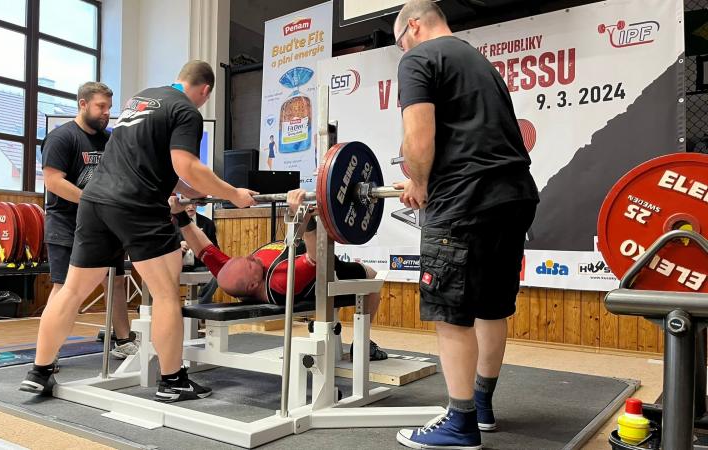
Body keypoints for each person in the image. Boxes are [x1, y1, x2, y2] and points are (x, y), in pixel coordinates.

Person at [21, 61, 258, 403]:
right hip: (136, 205)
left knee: (71, 291)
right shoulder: (186, 111)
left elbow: (155, 165)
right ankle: (172, 381)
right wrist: (233, 194)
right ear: (205, 90)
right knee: (165, 294)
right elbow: (187, 165)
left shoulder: (141, 100)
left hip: (95, 202)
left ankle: (39, 371)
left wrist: (193, 192)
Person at [391, 1, 539, 449]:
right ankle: (482, 406)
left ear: (413, 26)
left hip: (463, 199)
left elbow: (419, 138)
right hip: (514, 196)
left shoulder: (419, 58)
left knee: (451, 312)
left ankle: (460, 424)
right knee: (492, 306)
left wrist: (420, 184)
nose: (402, 50)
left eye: (400, 42)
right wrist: (421, 178)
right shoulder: (480, 63)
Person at [170, 189, 389, 361]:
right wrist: (306, 218)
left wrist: (179, 214)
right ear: (253, 284)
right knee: (372, 277)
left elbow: (203, 247)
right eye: (250, 264)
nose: (252, 257)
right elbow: (317, 257)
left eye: (247, 257)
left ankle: (336, 332)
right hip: (326, 271)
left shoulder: (230, 273)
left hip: (308, 257)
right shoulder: (279, 282)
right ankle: (362, 343)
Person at [41, 81, 136, 360]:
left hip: (103, 225)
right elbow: (53, 181)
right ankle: (48, 353)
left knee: (115, 281)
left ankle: (123, 341)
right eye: (101, 106)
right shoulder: (61, 138)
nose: (107, 112)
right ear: (83, 104)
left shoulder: (110, 140)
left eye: (109, 107)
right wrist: (91, 200)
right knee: (63, 287)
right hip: (66, 224)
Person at [176, 203, 219, 304]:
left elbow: (215, 249)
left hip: (199, 265)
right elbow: (164, 247)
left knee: (217, 273)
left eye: (193, 203)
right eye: (187, 203)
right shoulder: (172, 222)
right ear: (181, 203)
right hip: (177, 266)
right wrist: (178, 246)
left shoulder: (207, 223)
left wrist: (203, 246)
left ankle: (200, 303)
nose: (191, 206)